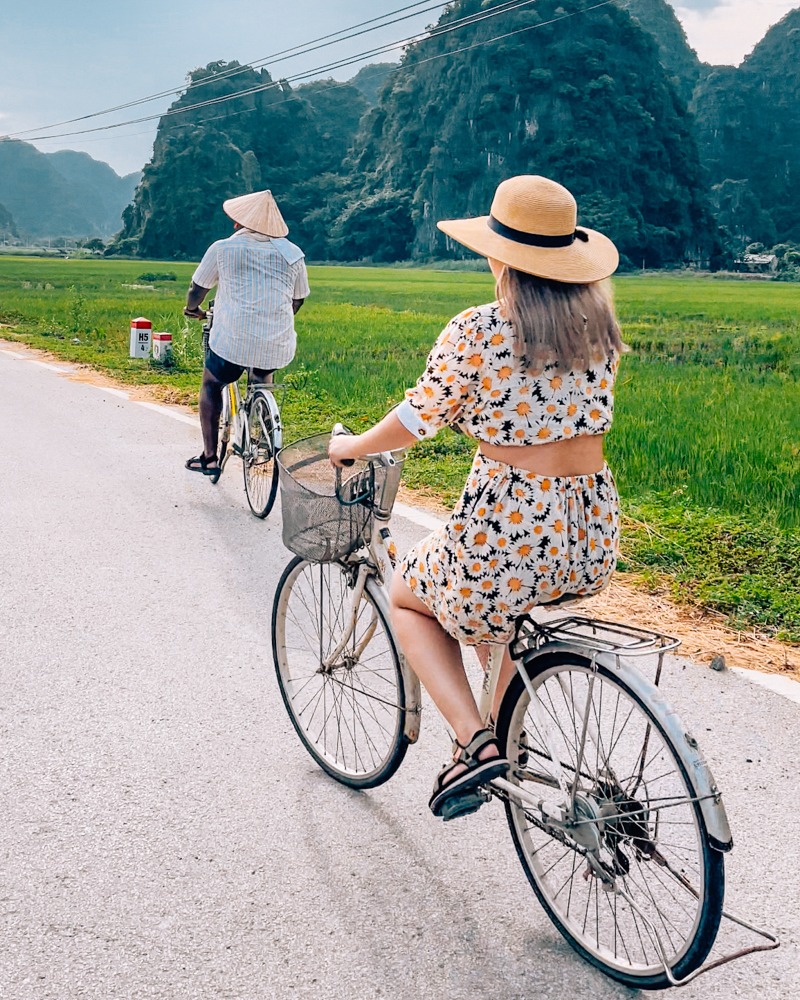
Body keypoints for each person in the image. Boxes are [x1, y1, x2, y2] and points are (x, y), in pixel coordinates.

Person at [328, 175, 623, 820]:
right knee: (491, 609)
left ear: (499, 256)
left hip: (511, 525)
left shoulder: (481, 329)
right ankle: (500, 740)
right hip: (589, 527)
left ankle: (474, 743)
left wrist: (353, 447)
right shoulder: (597, 329)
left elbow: (417, 417)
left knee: (408, 595)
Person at [184, 189, 310, 482]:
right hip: (275, 341)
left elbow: (196, 290)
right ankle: (265, 433)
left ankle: (209, 457)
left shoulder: (223, 248)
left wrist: (193, 309)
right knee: (261, 377)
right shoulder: (293, 253)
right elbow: (298, 299)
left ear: (238, 223)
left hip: (231, 340)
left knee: (211, 384)